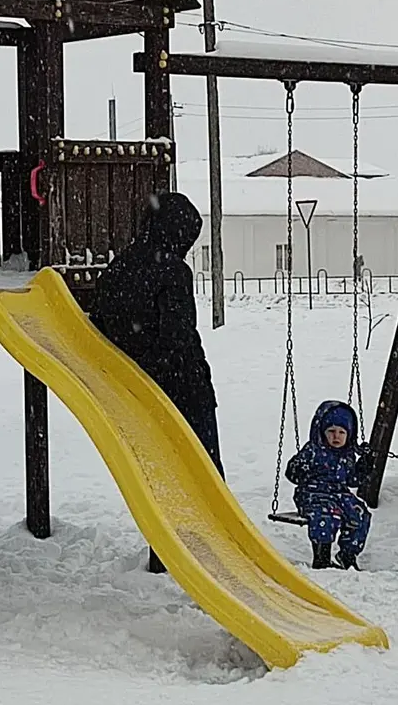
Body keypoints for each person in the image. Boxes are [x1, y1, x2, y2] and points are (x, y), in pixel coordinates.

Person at [90, 192, 222, 573]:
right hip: (185, 385)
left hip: (139, 390)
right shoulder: (173, 272)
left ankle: (164, 553)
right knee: (203, 472)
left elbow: (101, 322)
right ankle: (210, 551)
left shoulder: (118, 269)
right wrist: (172, 367)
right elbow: (179, 334)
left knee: (161, 476)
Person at [285, 401, 373, 570]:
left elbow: (351, 480)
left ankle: (348, 554)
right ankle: (322, 556)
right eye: (331, 431)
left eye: (342, 432)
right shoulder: (312, 451)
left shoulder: (347, 455)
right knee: (325, 516)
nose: (336, 436)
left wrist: (363, 467)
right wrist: (299, 469)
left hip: (339, 494)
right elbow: (292, 474)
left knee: (360, 514)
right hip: (312, 494)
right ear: (322, 432)